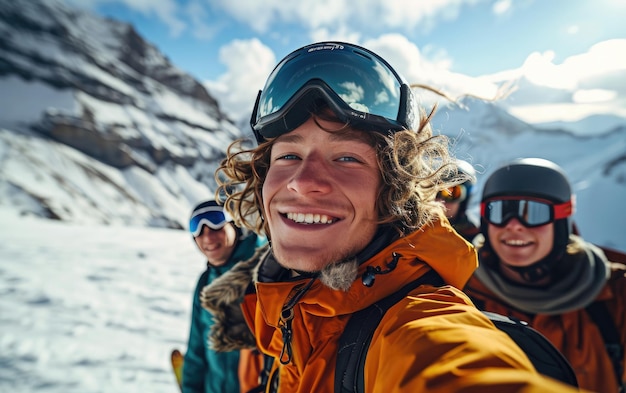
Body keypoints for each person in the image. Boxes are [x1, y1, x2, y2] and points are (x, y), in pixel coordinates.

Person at [205, 41, 582, 392]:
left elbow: (451, 360)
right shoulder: (279, 306)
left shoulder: (415, 323)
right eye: (288, 155)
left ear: (391, 193)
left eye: (347, 158)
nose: (303, 183)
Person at [464, 158, 626, 393]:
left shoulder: (615, 295)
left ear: (562, 221)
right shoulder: (457, 289)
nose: (514, 225)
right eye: (499, 211)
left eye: (534, 212)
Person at [182, 200, 269, 393]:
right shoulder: (206, 282)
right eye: (197, 228)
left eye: (216, 223)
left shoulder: (266, 270)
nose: (207, 237)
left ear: (235, 226)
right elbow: (197, 349)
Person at [435, 158, 480, 242]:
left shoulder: (476, 238)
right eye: (434, 193)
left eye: (451, 193)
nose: (440, 202)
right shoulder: (414, 232)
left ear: (465, 199)